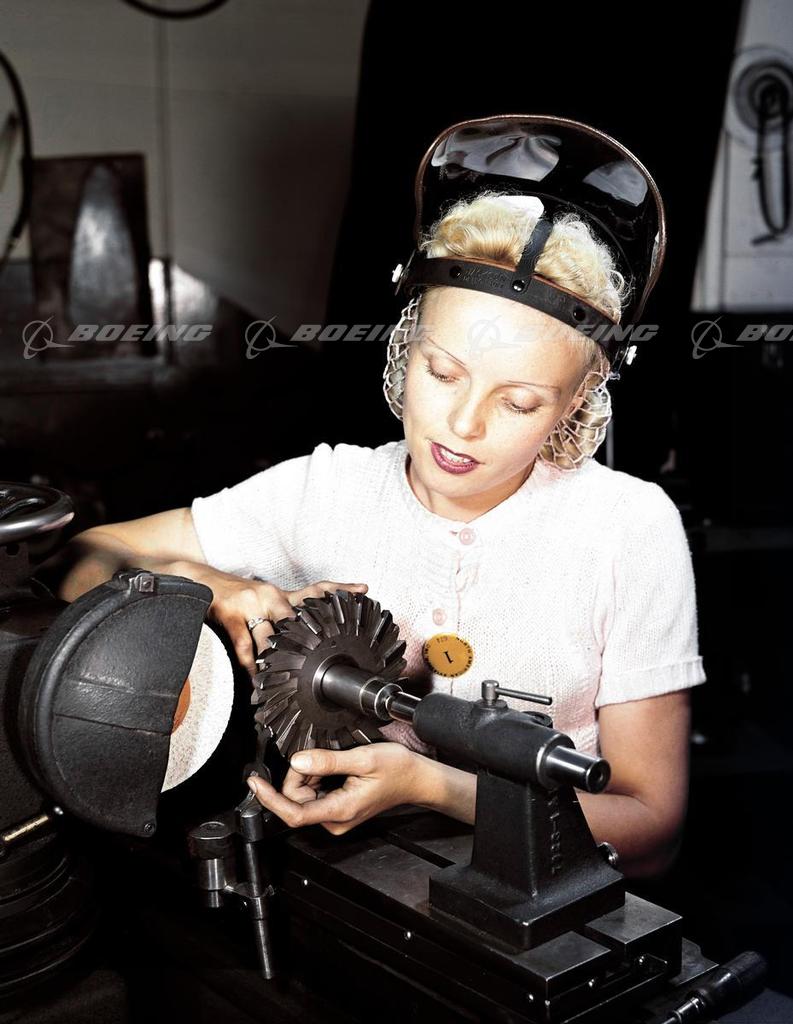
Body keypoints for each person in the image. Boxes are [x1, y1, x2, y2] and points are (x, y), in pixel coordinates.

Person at [51, 116, 705, 879]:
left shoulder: (627, 529)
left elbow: (651, 830)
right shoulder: (326, 490)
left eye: (519, 402)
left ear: (576, 401)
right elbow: (84, 557)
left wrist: (431, 786)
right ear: (406, 341)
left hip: (554, 913)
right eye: (442, 372)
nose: (463, 424)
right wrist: (204, 585)